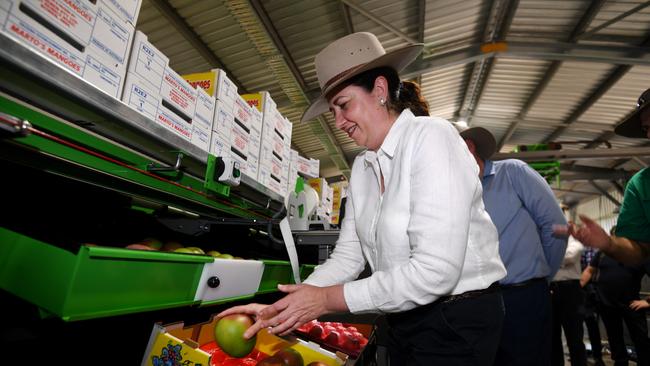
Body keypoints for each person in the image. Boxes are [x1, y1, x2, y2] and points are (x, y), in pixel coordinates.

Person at [218, 32, 507, 365]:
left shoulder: (432, 139)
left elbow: (436, 271)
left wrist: (327, 299)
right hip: (403, 316)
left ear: (380, 91)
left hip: (457, 320)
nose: (338, 122)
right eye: (333, 111)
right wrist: (286, 307)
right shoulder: (364, 166)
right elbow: (349, 255)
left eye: (343, 105)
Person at [454, 123, 568, 366]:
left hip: (523, 297)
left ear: (468, 146)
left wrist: (541, 276)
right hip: (478, 303)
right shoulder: (453, 194)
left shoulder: (513, 173)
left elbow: (555, 227)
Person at [556, 89, 650, 264]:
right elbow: (640, 250)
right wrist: (609, 244)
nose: (649, 134)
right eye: (647, 128)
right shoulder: (641, 184)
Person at [581, 229, 650, 366]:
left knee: (641, 341)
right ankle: (620, 362)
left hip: (631, 305)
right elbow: (589, 270)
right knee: (615, 341)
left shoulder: (640, 253)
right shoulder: (603, 253)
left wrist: (647, 302)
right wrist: (578, 287)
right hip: (606, 304)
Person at [550, 235, 587, 366]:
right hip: (550, 290)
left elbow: (571, 255)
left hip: (570, 290)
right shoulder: (545, 239)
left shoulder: (572, 238)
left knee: (575, 337)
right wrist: (558, 260)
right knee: (553, 338)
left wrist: (550, 259)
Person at [580, 246, 606, 366]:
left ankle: (597, 356)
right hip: (581, 288)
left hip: (590, 288)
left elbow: (591, 269)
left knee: (592, 324)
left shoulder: (592, 248)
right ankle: (584, 356)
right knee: (581, 325)